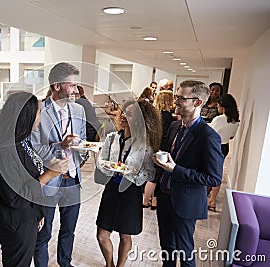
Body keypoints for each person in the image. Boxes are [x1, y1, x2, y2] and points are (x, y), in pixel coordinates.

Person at [0, 92, 68, 266]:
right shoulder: (6, 150)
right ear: (26, 116)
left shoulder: (23, 141)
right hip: (15, 222)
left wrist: (38, 212)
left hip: (27, 216)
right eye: (38, 112)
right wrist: (50, 174)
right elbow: (15, 196)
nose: (41, 116)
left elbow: (29, 175)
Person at [152, 80, 224, 267]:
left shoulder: (208, 136)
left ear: (198, 102)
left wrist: (175, 169)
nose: (175, 102)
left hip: (186, 201)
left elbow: (213, 177)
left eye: (181, 99)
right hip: (165, 196)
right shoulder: (175, 127)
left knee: (184, 252)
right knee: (167, 248)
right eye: (176, 97)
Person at [32, 62, 87, 267]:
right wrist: (60, 146)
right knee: (43, 233)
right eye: (72, 85)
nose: (76, 90)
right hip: (50, 180)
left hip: (73, 179)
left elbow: (82, 141)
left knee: (69, 230)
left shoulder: (79, 110)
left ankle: (65, 263)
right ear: (57, 86)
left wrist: (83, 152)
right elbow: (35, 149)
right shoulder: (38, 110)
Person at [96, 100, 161, 267]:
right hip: (111, 189)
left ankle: (120, 266)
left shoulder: (145, 145)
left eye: (129, 114)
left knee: (125, 235)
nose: (123, 116)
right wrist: (109, 166)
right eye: (123, 112)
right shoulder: (112, 138)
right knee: (102, 235)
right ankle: (109, 264)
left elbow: (151, 172)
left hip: (131, 192)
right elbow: (101, 160)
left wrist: (132, 172)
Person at [143, 90, 176, 209]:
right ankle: (146, 200)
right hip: (161, 149)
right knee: (155, 176)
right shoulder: (167, 117)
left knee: (154, 175)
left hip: (155, 146)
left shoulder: (156, 114)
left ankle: (151, 200)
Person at [207, 94, 240, 211]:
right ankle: (211, 199)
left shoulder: (219, 119)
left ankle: (210, 200)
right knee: (217, 172)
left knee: (209, 172)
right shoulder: (235, 120)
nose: (217, 107)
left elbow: (209, 134)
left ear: (223, 106)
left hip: (214, 147)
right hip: (225, 147)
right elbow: (231, 136)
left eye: (218, 105)